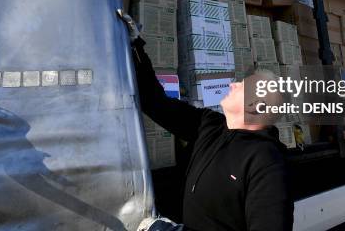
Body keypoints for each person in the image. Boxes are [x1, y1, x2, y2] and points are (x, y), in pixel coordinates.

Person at [121, 12, 294, 231]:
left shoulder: (266, 162)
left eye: (241, 85)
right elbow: (156, 103)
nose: (232, 85)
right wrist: (135, 46)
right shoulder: (209, 125)